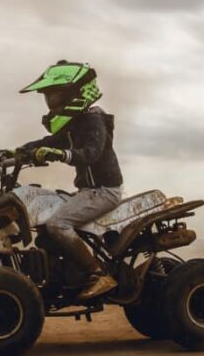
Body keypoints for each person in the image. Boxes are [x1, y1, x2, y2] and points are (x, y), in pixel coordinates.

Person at [13, 60, 124, 300]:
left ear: (74, 94)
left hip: (104, 191)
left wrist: (60, 155)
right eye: (48, 97)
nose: (50, 102)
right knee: (44, 221)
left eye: (54, 96)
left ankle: (97, 274)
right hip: (88, 191)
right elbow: (48, 142)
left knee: (57, 225)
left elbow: (91, 154)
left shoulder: (94, 120)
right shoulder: (76, 123)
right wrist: (17, 152)